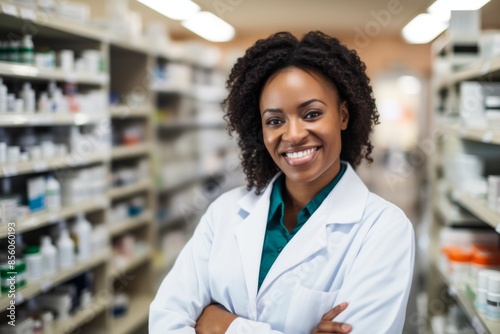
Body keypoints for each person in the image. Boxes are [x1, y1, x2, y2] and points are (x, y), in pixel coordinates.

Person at [149, 31, 415, 334]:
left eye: (311, 114)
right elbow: (165, 322)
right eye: (275, 120)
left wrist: (223, 325)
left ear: (343, 115)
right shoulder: (224, 213)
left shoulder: (384, 229)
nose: (293, 134)